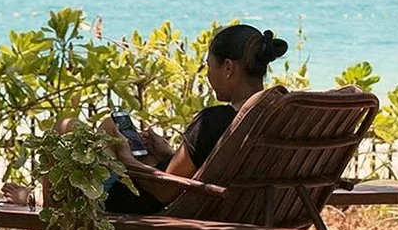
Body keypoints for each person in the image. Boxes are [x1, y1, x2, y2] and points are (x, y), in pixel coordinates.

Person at [105, 23, 289, 213]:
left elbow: (165, 191)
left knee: (98, 126)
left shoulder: (214, 122)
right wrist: (168, 155)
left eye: (209, 65)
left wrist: (126, 159)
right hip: (250, 213)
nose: (208, 74)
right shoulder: (279, 119)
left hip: (156, 215)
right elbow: (211, 170)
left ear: (228, 68)